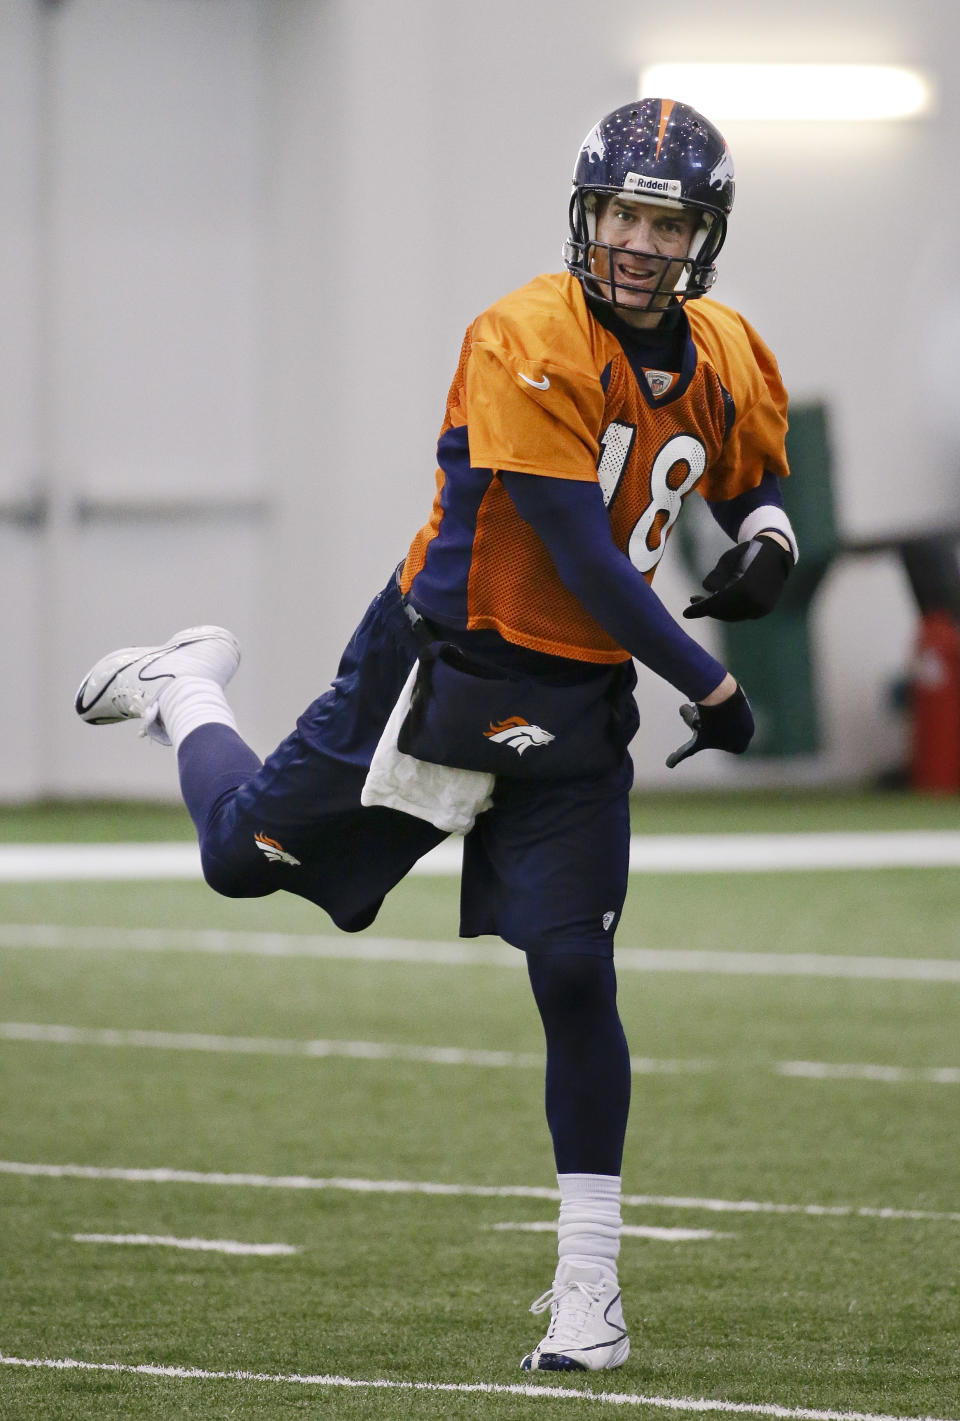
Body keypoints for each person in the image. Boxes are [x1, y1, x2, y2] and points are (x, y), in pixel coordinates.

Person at [75, 98, 797, 1373]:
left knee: (575, 971)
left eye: (665, 219)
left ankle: (590, 1285)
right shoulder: (525, 334)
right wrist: (712, 681)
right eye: (623, 212)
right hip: (440, 668)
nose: (637, 240)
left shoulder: (728, 346)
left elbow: (747, 473)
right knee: (242, 858)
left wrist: (772, 540)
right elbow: (578, 548)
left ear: (702, 236)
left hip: (575, 710)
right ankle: (189, 690)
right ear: (590, 215)